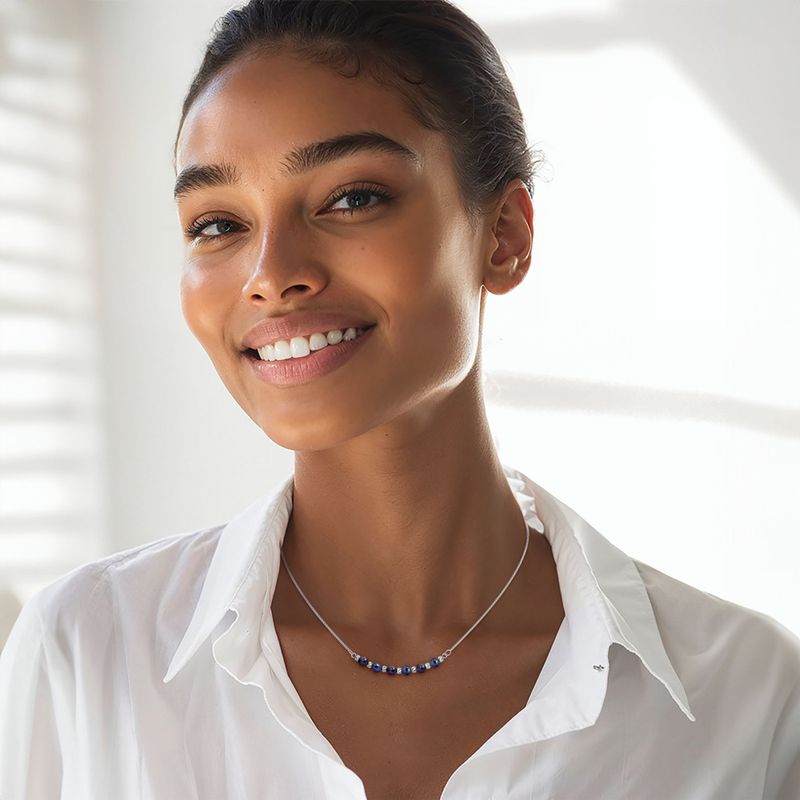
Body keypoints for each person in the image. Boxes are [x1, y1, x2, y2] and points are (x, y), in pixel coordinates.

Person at [1, 1, 799, 798]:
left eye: (351, 198)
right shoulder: (88, 651)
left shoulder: (746, 698)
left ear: (505, 235)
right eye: (217, 223)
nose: (271, 274)